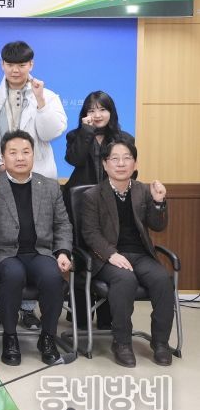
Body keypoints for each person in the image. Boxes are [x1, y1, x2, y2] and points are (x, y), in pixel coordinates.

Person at [0, 41, 67, 330]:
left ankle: (28, 312)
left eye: (22, 64)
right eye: (10, 64)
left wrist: (40, 102)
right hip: (2, 177)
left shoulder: (48, 96)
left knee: (34, 240)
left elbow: (51, 132)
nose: (16, 70)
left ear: (31, 65)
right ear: (2, 65)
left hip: (38, 178)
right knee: (4, 241)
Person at [0, 130, 72, 366]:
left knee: (53, 276)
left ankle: (47, 337)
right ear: (3, 157)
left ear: (34, 155)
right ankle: (10, 337)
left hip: (39, 252)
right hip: (2, 254)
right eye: (13, 153)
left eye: (26, 152)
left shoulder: (49, 186)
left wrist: (63, 252)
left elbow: (62, 224)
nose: (20, 157)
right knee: (14, 274)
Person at [80, 139, 172, 367]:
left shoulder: (143, 190)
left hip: (140, 255)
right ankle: (121, 342)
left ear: (135, 163)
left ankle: (160, 343)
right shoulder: (92, 195)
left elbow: (158, 225)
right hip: (108, 258)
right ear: (105, 164)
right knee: (125, 280)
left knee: (162, 279)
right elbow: (90, 233)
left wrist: (158, 202)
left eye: (127, 158)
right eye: (115, 158)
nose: (121, 163)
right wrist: (111, 254)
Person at [64, 91, 134, 328]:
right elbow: (74, 160)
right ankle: (81, 318)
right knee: (81, 258)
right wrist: (86, 131)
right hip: (79, 204)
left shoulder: (124, 138)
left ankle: (107, 317)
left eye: (102, 109)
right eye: (91, 110)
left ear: (111, 112)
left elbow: (129, 172)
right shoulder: (76, 135)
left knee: (109, 253)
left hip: (111, 206)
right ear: (84, 114)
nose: (97, 114)